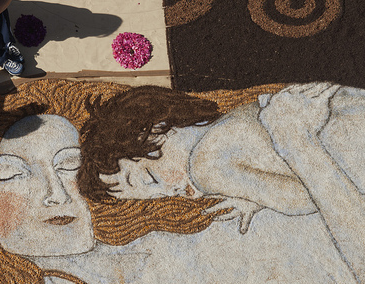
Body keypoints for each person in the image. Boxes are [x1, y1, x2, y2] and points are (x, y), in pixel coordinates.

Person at [0, 79, 365, 284]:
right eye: (15, 173)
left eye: (69, 167)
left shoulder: (194, 216)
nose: (56, 193)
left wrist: (295, 152)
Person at [79, 82, 365, 236]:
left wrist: (263, 195)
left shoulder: (205, 165)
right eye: (154, 197)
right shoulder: (240, 115)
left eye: (150, 178)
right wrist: (252, 191)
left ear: (157, 129)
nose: (168, 192)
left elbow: (307, 199)